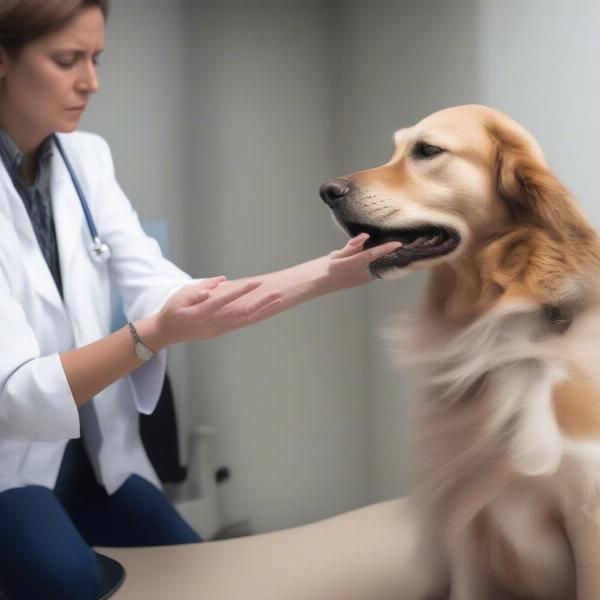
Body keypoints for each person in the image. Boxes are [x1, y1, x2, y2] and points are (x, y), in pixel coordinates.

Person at [0, 1, 403, 598]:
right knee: (69, 581)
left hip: (95, 452)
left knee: (198, 572)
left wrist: (327, 274)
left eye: (96, 58)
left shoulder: (86, 157)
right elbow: (16, 396)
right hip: (9, 462)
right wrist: (153, 335)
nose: (91, 82)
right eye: (67, 60)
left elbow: (164, 289)